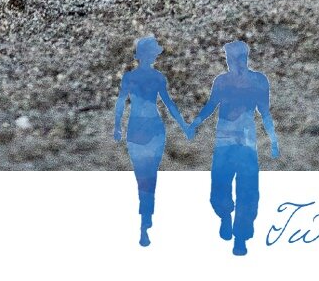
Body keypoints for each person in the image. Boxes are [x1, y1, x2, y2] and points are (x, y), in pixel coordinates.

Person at [190, 41, 279, 257]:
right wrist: (195, 122)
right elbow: (212, 105)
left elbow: (265, 112)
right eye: (230, 58)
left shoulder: (258, 81)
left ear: (245, 58)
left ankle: (240, 237)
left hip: (247, 144)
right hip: (224, 141)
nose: (233, 62)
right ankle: (225, 216)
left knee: (247, 190)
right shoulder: (222, 82)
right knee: (219, 185)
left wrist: (273, 138)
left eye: (237, 58)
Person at [111, 35, 191, 246]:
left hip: (143, 126)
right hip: (147, 126)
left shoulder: (140, 77)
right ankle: (145, 222)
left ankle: (145, 223)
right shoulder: (148, 77)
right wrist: (117, 126)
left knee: (145, 176)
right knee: (146, 176)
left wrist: (184, 125)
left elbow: (167, 103)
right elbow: (168, 104)